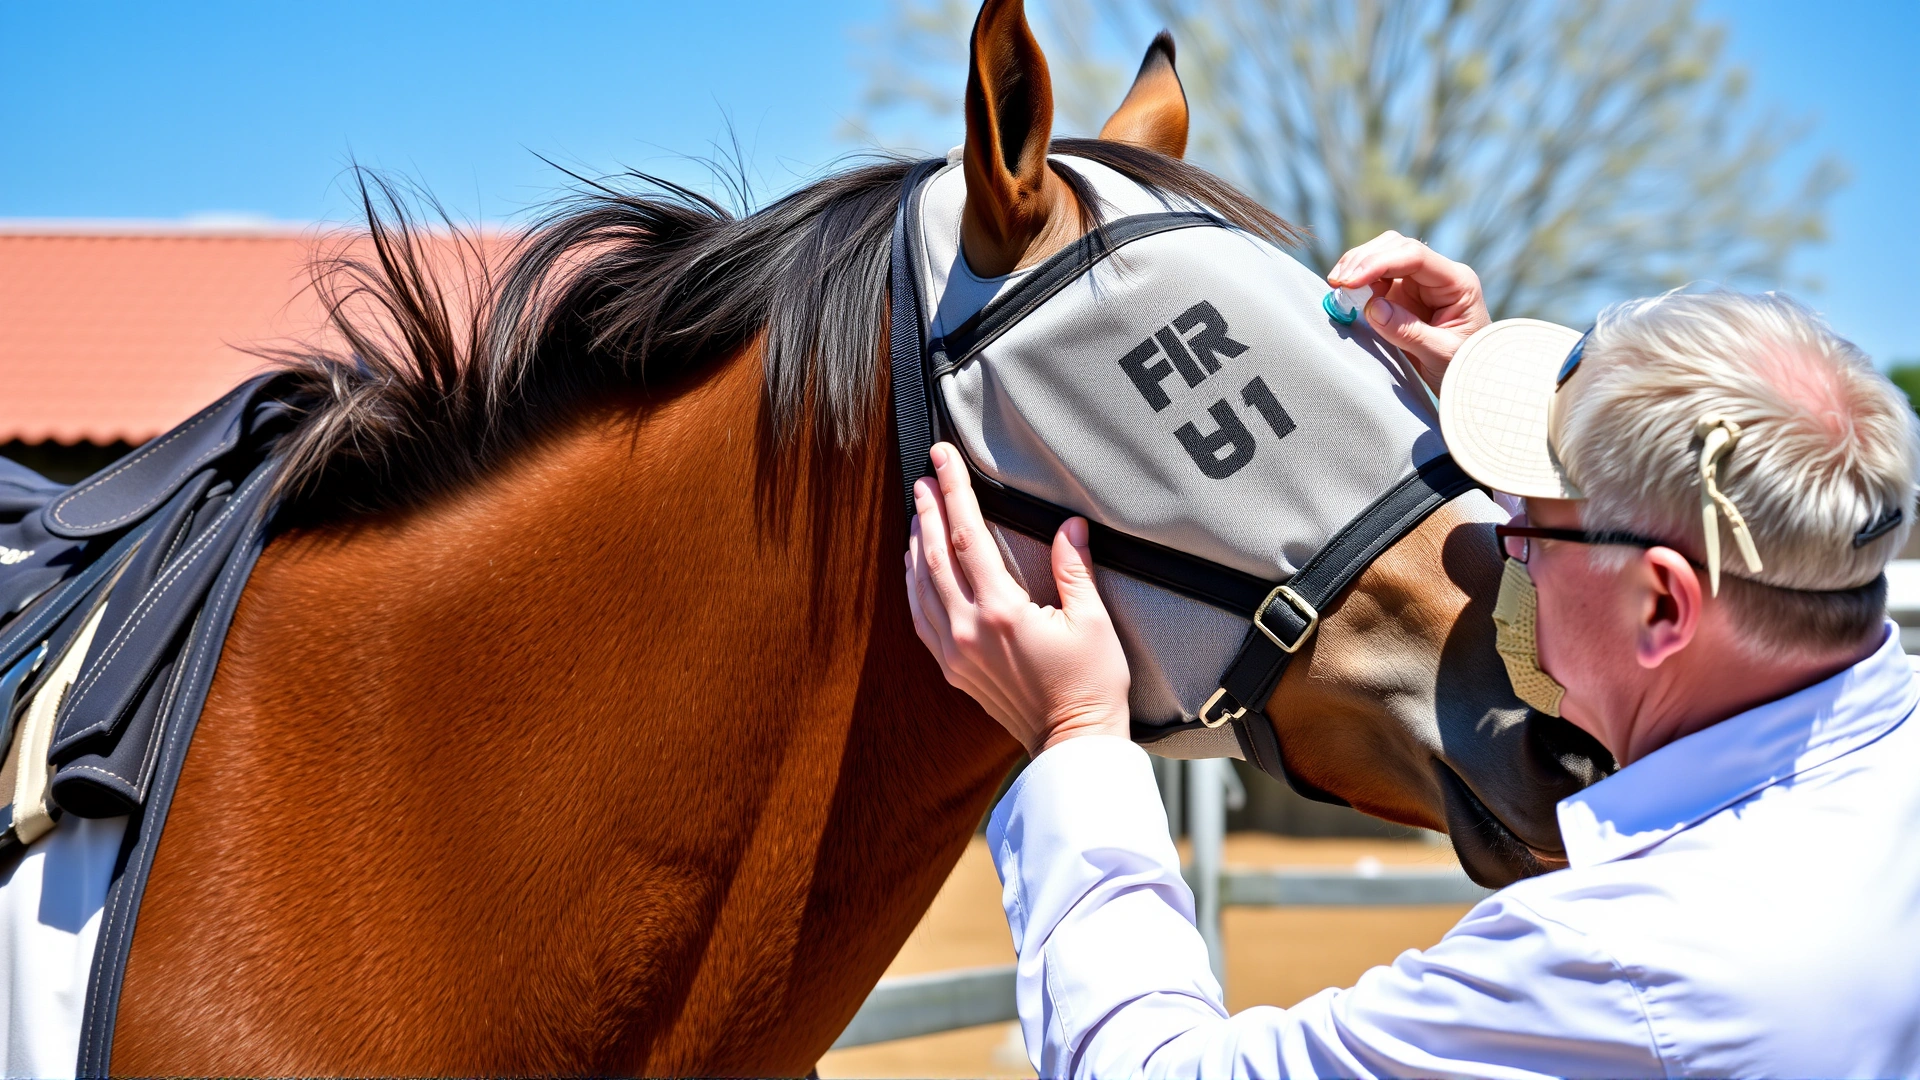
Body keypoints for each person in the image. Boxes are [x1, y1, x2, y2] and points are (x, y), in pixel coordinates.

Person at [903, 232, 1920, 1078]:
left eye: (1529, 525)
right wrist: (1521, 410)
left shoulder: (1627, 969)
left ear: (1663, 605)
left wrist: (1076, 736)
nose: (1498, 541)